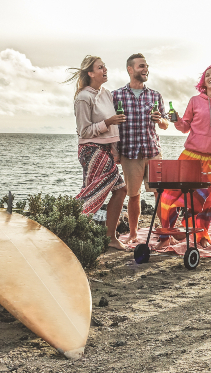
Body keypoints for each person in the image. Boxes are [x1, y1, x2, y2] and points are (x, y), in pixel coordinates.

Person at [155, 65, 211, 250]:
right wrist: (177, 120)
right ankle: (166, 235)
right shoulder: (195, 101)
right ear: (203, 82)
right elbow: (185, 127)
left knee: (205, 200)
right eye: (208, 75)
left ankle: (200, 235)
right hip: (190, 155)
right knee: (168, 195)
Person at [66, 55, 128, 251]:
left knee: (119, 190)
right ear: (90, 73)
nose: (105, 70)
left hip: (106, 150)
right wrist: (108, 122)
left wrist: (115, 150)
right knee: (95, 192)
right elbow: (83, 131)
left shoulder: (106, 94)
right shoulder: (83, 97)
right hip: (91, 150)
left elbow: (114, 128)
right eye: (100, 67)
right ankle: (68, 224)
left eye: (105, 66)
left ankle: (109, 236)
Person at [112, 53, 169, 244]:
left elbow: (165, 123)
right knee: (133, 195)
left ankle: (164, 235)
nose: (146, 70)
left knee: (159, 194)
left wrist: (160, 119)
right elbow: (113, 126)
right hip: (129, 153)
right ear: (130, 69)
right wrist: (115, 151)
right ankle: (134, 234)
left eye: (146, 66)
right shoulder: (116, 95)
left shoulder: (155, 95)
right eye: (141, 66)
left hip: (152, 151)